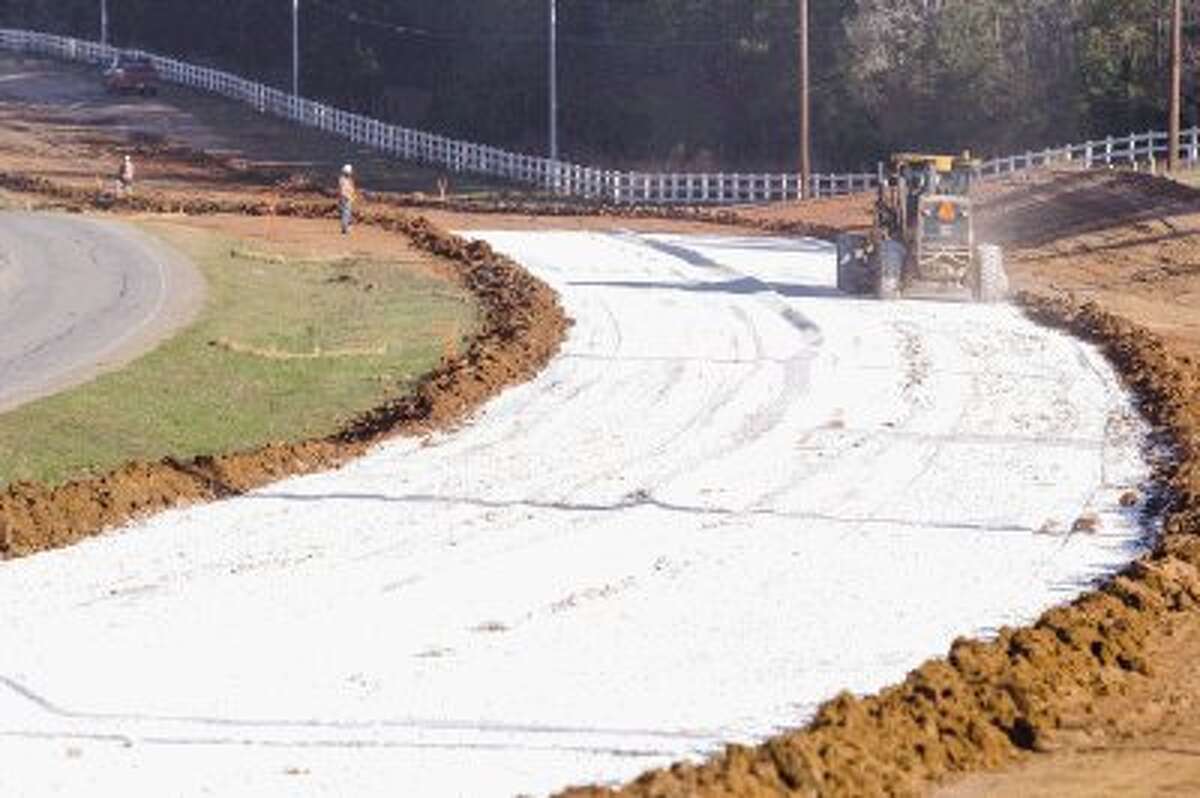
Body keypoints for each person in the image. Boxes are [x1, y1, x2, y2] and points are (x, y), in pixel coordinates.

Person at [337, 163, 356, 234]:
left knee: (346, 212)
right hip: (346, 197)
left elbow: (349, 188)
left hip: (345, 197)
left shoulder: (343, 179)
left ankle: (345, 227)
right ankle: (345, 228)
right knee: (346, 212)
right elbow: (344, 189)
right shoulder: (344, 180)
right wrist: (349, 196)